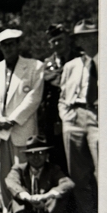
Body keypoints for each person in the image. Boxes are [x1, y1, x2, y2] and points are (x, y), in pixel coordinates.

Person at [0, 28, 44, 213]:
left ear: (19, 44)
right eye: (4, 44)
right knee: (2, 177)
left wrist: (13, 120)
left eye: (12, 43)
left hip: (22, 129)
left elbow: (34, 98)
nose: (8, 47)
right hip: (0, 131)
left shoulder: (35, 67)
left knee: (23, 176)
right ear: (0, 47)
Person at [58, 19, 99, 213]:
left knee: (104, 172)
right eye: (80, 37)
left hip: (99, 118)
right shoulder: (71, 65)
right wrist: (66, 117)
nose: (84, 40)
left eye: (89, 35)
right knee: (79, 176)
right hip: (73, 118)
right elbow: (62, 97)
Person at [4, 135, 75, 213]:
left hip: (48, 212)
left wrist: (46, 196)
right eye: (32, 154)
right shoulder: (19, 168)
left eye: (40, 153)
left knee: (60, 195)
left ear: (47, 155)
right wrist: (28, 197)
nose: (36, 157)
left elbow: (68, 183)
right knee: (17, 196)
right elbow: (11, 182)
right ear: (26, 156)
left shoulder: (53, 169)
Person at [38, 24, 78, 173]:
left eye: (60, 40)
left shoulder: (79, 59)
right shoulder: (46, 65)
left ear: (67, 39)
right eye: (53, 41)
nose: (57, 44)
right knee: (57, 159)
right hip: (53, 120)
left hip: (75, 117)